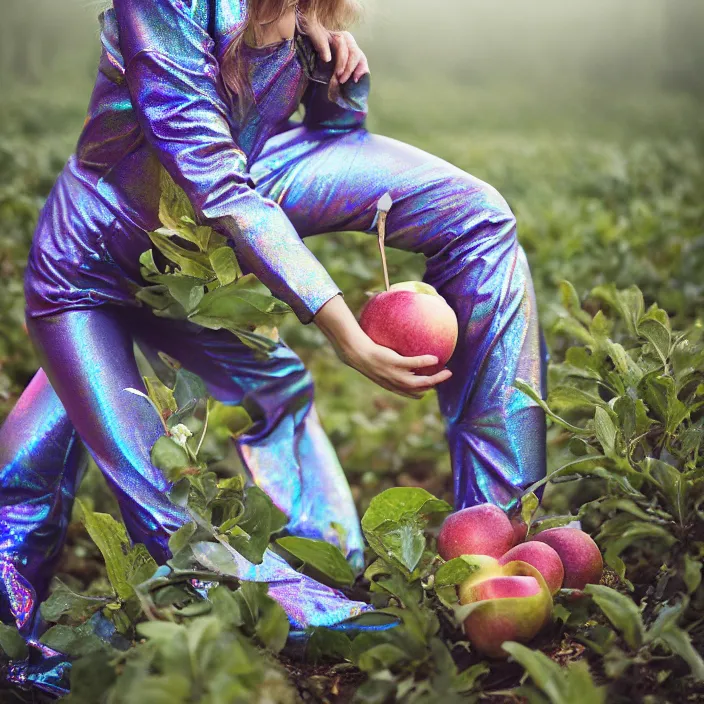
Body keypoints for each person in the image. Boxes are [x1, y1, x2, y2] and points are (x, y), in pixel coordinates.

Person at [0, 0, 547, 680]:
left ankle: (500, 532)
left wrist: (334, 74)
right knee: (158, 504)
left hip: (209, 242)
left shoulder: (298, 7)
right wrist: (340, 323)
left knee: (476, 219)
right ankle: (19, 636)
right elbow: (210, 174)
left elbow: (332, 136)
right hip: (101, 266)